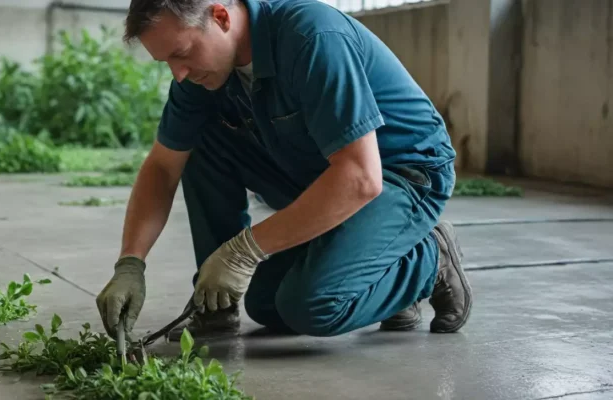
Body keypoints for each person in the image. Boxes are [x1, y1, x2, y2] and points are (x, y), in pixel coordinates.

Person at [95, 0, 472, 342]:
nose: (178, 74)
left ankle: (428, 259)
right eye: (166, 62)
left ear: (220, 17)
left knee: (313, 305)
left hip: (401, 174)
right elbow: (163, 166)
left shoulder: (311, 37)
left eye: (181, 53)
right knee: (265, 302)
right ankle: (215, 305)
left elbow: (360, 176)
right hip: (320, 173)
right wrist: (131, 263)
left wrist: (243, 251)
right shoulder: (201, 73)